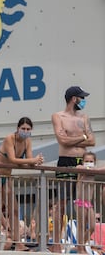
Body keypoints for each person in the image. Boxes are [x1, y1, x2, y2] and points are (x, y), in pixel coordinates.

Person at [0, 117, 44, 251]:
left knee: (14, 210)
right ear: (18, 128)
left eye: (28, 129)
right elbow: (12, 159)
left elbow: (28, 160)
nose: (25, 131)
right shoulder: (9, 139)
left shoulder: (27, 141)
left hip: (6, 176)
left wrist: (37, 161)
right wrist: (33, 159)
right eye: (23, 129)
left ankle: (18, 243)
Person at [50, 86, 95, 253]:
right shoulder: (58, 116)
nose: (83, 101)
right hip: (66, 161)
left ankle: (81, 245)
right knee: (61, 204)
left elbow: (92, 141)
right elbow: (62, 141)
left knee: (83, 205)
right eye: (81, 98)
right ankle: (56, 243)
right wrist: (83, 137)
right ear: (73, 99)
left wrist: (75, 139)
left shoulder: (84, 118)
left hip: (82, 161)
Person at [74, 152, 96, 254]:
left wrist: (92, 168)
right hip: (80, 202)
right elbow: (78, 167)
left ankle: (80, 244)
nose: (89, 163)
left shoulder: (94, 171)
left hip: (89, 203)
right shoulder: (81, 170)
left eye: (91, 161)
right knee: (81, 226)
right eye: (86, 161)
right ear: (83, 161)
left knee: (92, 226)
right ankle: (80, 248)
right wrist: (85, 167)